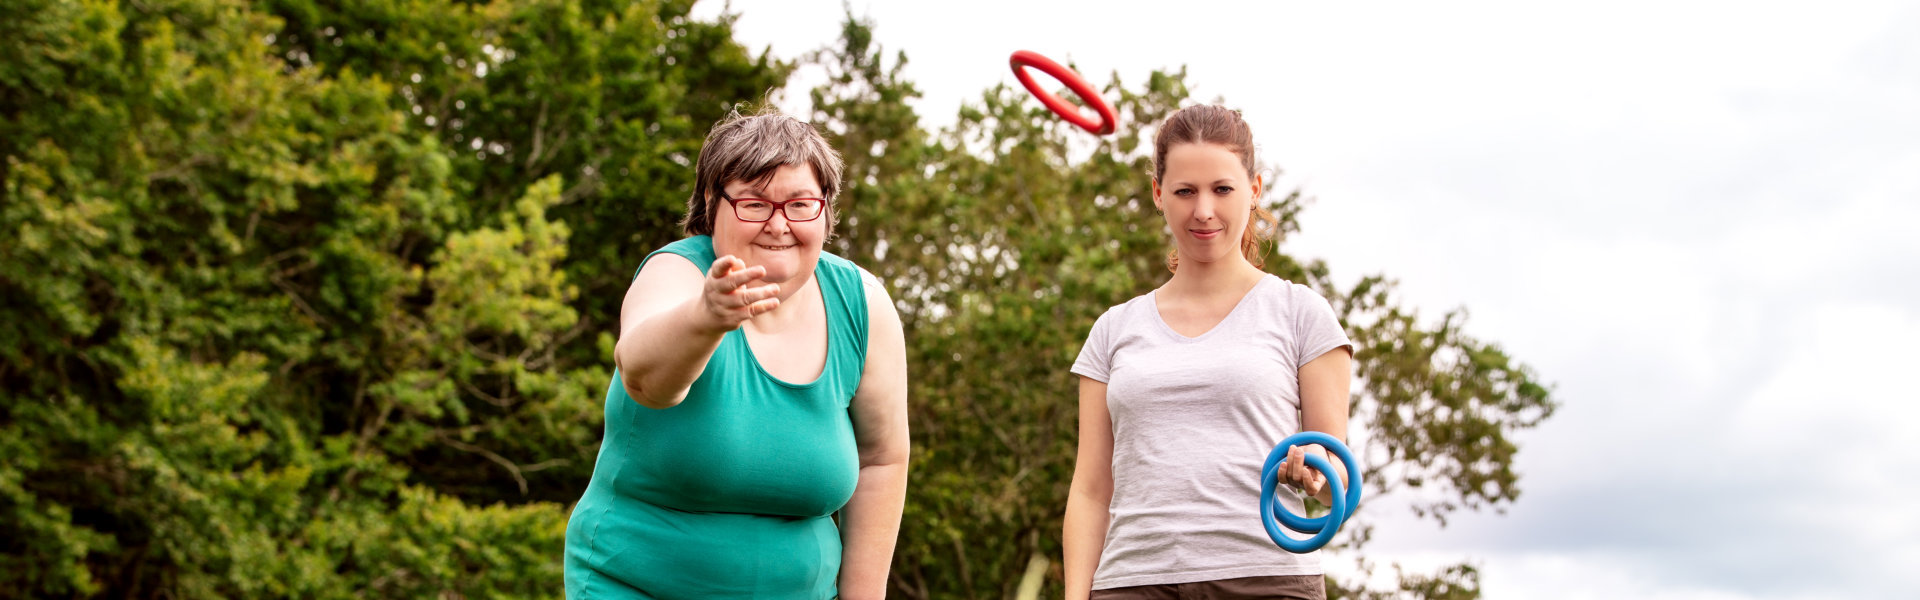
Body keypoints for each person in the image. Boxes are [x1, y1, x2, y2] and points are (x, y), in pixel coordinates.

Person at [564, 107, 909, 600]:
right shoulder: (676, 273)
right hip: (636, 586)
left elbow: (882, 460)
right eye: (754, 203)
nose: (778, 224)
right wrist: (705, 317)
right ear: (712, 201)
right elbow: (646, 382)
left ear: (827, 209)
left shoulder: (863, 304)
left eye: (800, 204)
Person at [1063, 104, 1356, 600]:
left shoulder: (1301, 313)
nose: (1203, 210)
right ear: (1159, 193)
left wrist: (1314, 470)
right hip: (1132, 583)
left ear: (1254, 189)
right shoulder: (1113, 330)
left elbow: (1337, 477)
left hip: (1265, 579)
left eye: (1222, 189)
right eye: (1184, 191)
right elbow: (1091, 490)